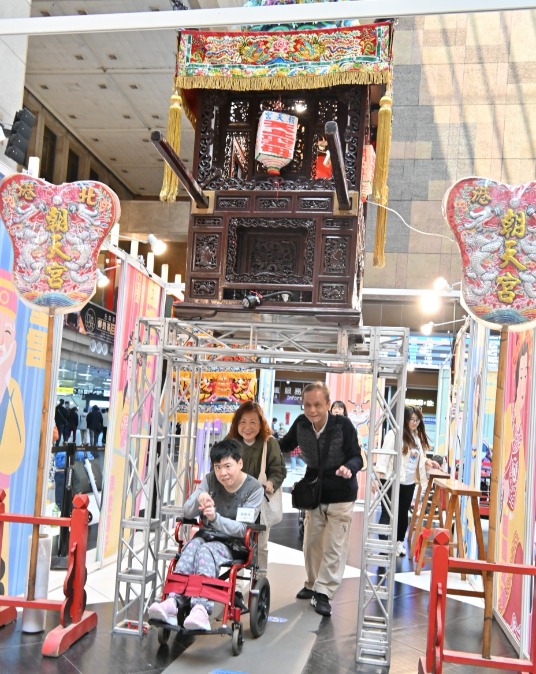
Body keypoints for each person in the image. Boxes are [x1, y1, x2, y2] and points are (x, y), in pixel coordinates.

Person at [147, 438, 264, 629]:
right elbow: (187, 512)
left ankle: (201, 608)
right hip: (207, 536)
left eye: (228, 466)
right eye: (218, 467)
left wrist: (215, 518)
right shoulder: (210, 480)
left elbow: (242, 529)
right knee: (191, 546)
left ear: (240, 463)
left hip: (235, 544)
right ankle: (172, 602)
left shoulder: (253, 489)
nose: (222, 473)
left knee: (205, 550)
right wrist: (199, 497)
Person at [279, 381, 363, 617]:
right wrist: (262, 439)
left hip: (341, 493)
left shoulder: (343, 426)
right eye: (307, 405)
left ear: (327, 404)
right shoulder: (301, 424)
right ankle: (313, 583)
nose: (312, 410)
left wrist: (349, 468)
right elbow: (284, 445)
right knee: (311, 544)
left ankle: (324, 592)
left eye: (317, 404)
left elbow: (357, 457)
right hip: (314, 493)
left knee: (334, 546)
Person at [227, 401, 286, 573]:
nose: (248, 427)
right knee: (234, 541)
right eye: (243, 422)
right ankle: (235, 580)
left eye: (253, 422)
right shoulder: (230, 442)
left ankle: (260, 578)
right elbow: (217, 465)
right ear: (237, 423)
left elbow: (278, 469)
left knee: (260, 543)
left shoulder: (269, 443)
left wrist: (271, 482)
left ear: (261, 423)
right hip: (234, 501)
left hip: (259, 503)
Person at [375, 406, 439, 557]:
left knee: (403, 514)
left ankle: (398, 543)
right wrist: (378, 478)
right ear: (404, 419)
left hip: (408, 483)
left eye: (417, 420)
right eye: (412, 419)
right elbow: (384, 457)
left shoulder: (416, 437)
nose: (415, 423)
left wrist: (428, 462)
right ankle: (385, 546)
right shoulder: (394, 434)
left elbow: (419, 457)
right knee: (388, 514)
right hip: (391, 481)